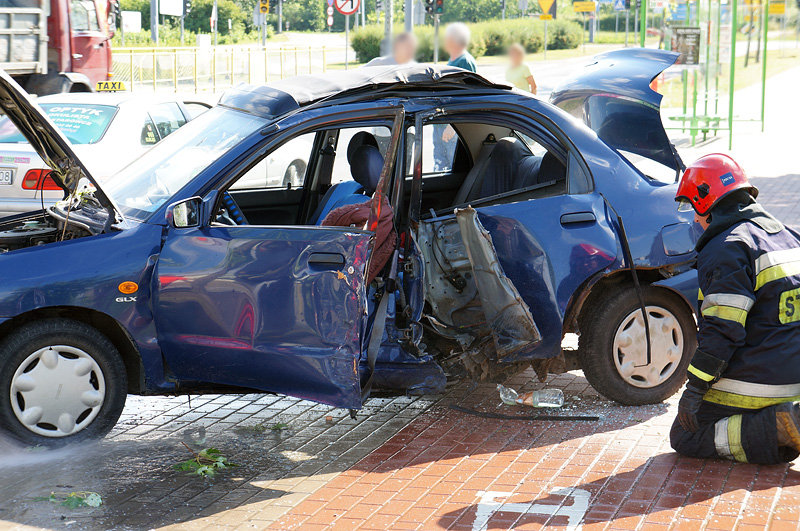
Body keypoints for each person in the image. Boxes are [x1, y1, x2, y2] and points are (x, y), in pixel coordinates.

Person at [670, 153, 800, 465]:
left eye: (693, 208)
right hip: (793, 378)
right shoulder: (789, 235)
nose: (695, 220)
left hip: (756, 382)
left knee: (685, 434)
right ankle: (785, 421)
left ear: (706, 204)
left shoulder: (728, 247)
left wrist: (695, 389)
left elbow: (722, 332)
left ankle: (783, 426)